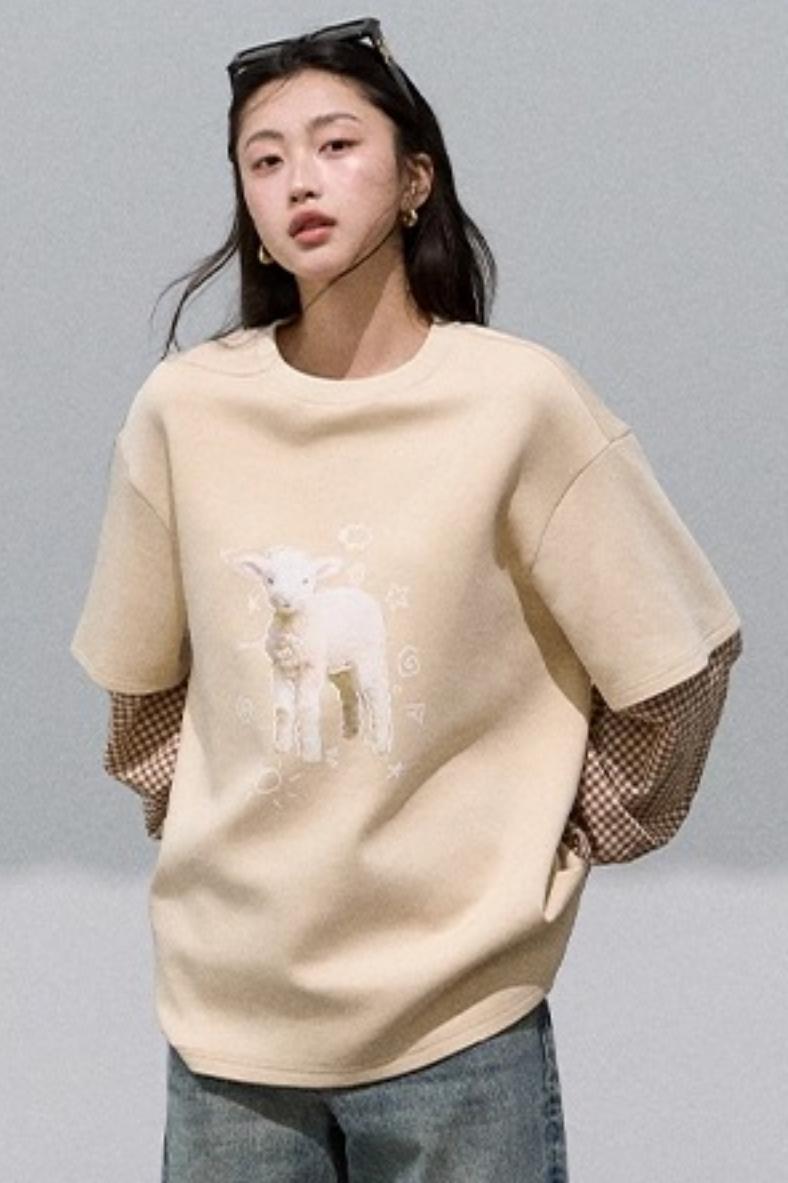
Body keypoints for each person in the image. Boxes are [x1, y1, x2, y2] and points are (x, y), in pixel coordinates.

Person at [69, 16, 743, 1183]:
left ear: (414, 177)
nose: (298, 181)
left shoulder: (516, 403)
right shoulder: (186, 409)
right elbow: (140, 693)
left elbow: (674, 656)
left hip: (455, 1029)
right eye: (265, 159)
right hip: (228, 1028)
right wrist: (247, 828)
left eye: (335, 146)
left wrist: (556, 833)